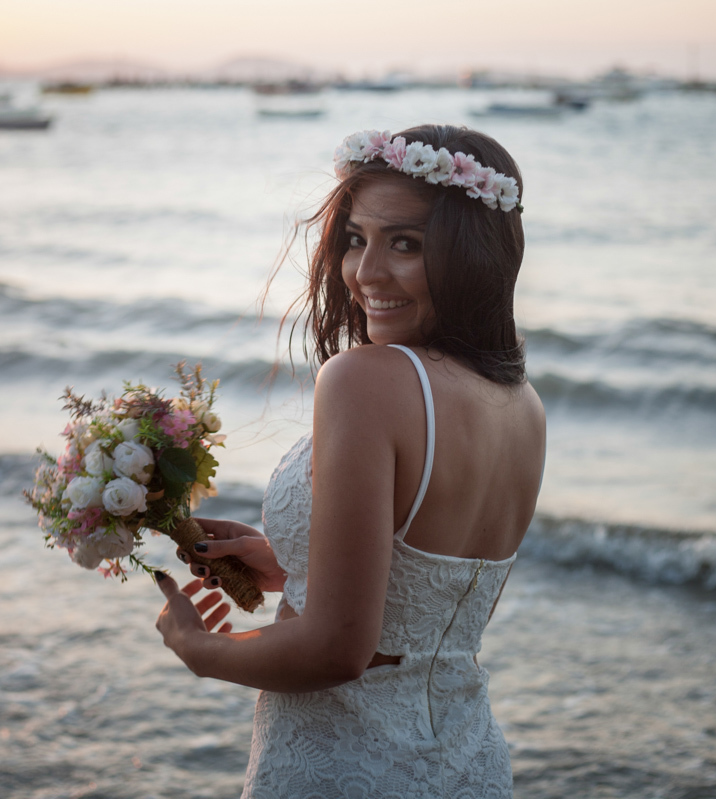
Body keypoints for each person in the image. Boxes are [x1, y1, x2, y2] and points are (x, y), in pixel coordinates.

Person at [153, 124, 546, 797]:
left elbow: (338, 649)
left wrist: (200, 649)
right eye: (357, 239)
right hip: (468, 762)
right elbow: (434, 603)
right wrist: (293, 566)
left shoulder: (364, 379)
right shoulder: (521, 404)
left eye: (407, 243)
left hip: (346, 769)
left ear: (472, 255)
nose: (365, 273)